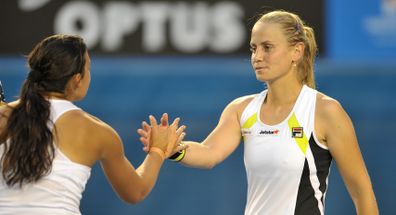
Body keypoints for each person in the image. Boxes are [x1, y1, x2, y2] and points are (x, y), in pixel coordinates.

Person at [138, 10, 379, 215]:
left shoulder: (325, 111)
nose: (257, 57)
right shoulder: (241, 109)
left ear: (297, 51)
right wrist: (172, 148)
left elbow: (361, 191)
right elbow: (210, 153)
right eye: (254, 48)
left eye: (267, 48)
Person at [0, 34, 186, 215]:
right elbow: (135, 192)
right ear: (77, 80)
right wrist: (158, 150)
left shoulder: (3, 116)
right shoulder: (98, 132)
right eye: (88, 68)